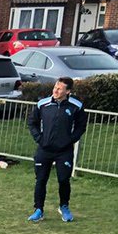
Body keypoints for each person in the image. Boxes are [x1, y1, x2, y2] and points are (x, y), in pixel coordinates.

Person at [27, 76, 87, 223]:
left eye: (60, 88)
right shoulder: (43, 104)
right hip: (44, 149)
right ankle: (38, 210)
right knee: (40, 180)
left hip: (64, 151)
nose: (56, 90)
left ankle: (64, 207)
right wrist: (39, 139)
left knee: (63, 179)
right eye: (55, 87)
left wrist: (70, 140)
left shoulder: (76, 106)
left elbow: (81, 126)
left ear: (68, 91)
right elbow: (32, 122)